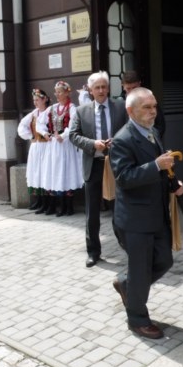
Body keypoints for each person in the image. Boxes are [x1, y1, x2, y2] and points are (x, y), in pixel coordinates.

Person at [110, 87, 183, 339]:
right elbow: (124, 177)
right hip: (135, 219)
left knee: (164, 260)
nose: (153, 112)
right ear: (131, 111)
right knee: (141, 270)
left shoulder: (153, 131)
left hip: (156, 214)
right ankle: (137, 320)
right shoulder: (122, 139)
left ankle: (128, 286)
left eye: (154, 107)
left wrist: (173, 183)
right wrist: (155, 166)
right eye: (147, 108)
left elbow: (161, 169)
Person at [69, 71, 127, 267]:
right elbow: (73, 135)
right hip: (94, 165)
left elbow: (130, 129)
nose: (101, 91)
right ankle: (93, 252)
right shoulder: (81, 111)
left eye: (104, 87)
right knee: (92, 213)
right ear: (90, 90)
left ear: (108, 88)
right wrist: (93, 144)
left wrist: (116, 142)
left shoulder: (120, 106)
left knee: (119, 210)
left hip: (116, 164)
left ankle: (127, 247)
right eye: (97, 88)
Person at [38, 81, 83, 216]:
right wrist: (45, 133)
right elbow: (39, 123)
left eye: (60, 92)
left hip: (66, 145)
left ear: (67, 93)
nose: (57, 94)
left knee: (66, 172)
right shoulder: (52, 108)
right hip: (54, 146)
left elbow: (73, 125)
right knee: (55, 172)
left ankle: (69, 207)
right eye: (56, 92)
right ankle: (59, 205)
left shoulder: (72, 108)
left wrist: (63, 136)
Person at [17, 89, 50, 211]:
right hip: (35, 147)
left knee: (46, 173)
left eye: (37, 100)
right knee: (36, 173)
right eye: (34, 100)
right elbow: (21, 126)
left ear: (44, 99)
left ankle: (47, 203)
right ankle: (39, 201)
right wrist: (30, 136)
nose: (35, 102)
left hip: (47, 147)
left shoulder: (50, 112)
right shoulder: (33, 114)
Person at [121, 71, 166, 139]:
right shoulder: (119, 103)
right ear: (123, 86)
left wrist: (150, 140)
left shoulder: (149, 99)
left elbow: (160, 124)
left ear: (139, 84)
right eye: (128, 88)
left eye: (134, 88)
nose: (132, 91)